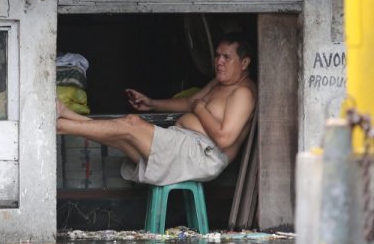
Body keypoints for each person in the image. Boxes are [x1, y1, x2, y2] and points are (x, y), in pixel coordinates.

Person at [56, 32, 257, 186]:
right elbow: (190, 102)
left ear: (245, 62)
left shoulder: (243, 93)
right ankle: (68, 115)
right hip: (184, 145)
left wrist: (200, 108)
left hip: (202, 157)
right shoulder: (219, 83)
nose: (218, 62)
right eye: (217, 56)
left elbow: (223, 139)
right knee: (121, 138)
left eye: (226, 57)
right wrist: (152, 103)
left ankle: (63, 126)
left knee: (131, 124)